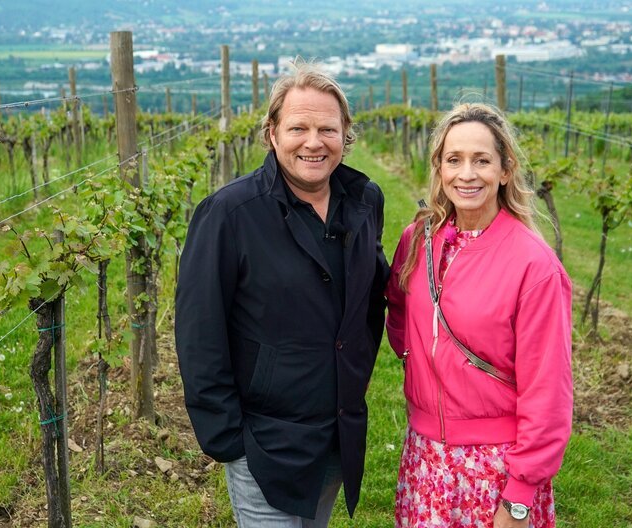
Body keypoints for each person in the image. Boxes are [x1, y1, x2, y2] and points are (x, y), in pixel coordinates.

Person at [175, 62, 389, 527]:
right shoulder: (229, 215)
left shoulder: (364, 201)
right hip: (266, 441)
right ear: (272, 133)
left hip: (337, 432)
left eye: (327, 129)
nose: (314, 142)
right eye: (299, 127)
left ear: (345, 134)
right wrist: (229, 438)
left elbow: (372, 299)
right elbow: (198, 331)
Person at [385, 103, 573, 528]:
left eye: (481, 160)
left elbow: (548, 390)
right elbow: (398, 309)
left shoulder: (534, 265)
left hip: (496, 467)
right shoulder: (417, 241)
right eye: (454, 160)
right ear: (439, 167)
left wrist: (520, 496)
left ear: (505, 170)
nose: (466, 174)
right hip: (425, 455)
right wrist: (419, 358)